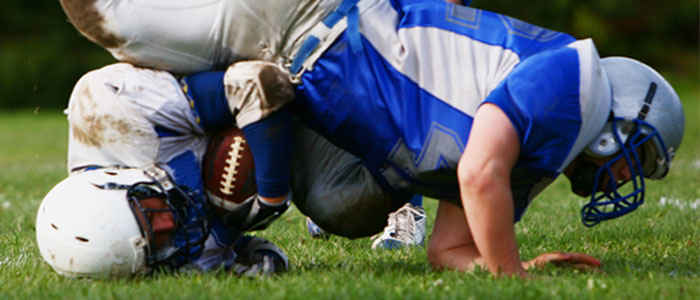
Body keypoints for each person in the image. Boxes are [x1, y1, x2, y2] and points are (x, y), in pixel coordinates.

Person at [59, 0, 685, 276]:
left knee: (341, 209)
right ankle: (210, 115)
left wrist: (509, 264)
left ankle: (222, 160)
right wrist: (510, 272)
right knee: (101, 11)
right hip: (303, 17)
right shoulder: (575, 78)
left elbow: (448, 250)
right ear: (627, 116)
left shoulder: (538, 158)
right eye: (642, 157)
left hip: (307, 86)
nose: (629, 175)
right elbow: (477, 175)